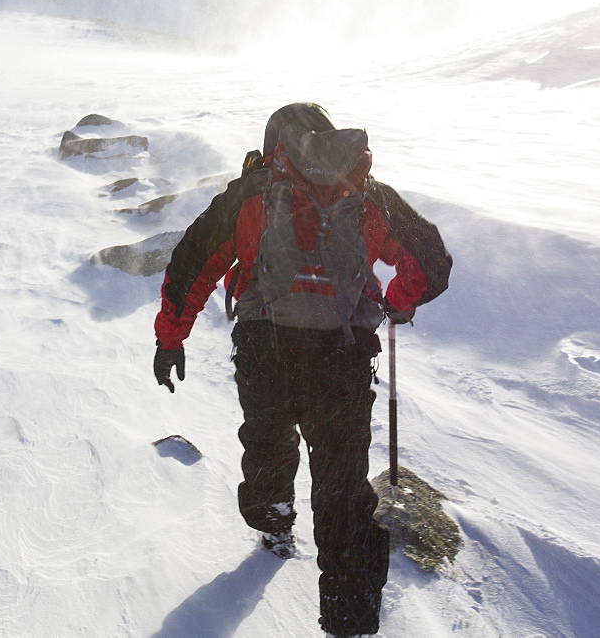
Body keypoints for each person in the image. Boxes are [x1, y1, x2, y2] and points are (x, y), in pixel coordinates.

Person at [152, 102, 451, 636]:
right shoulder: (366, 192)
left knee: (268, 441)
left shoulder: (251, 192)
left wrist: (171, 339)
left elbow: (190, 264)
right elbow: (430, 260)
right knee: (343, 491)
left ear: (277, 144)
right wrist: (399, 301)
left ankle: (274, 522)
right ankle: (350, 621)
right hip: (343, 357)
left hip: (266, 350)